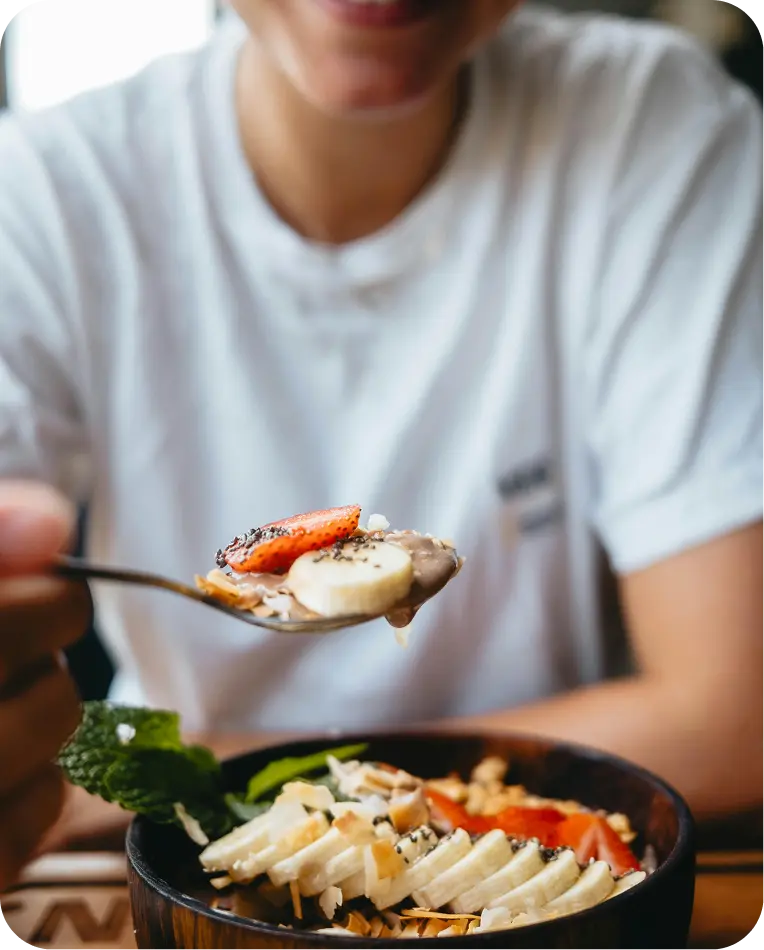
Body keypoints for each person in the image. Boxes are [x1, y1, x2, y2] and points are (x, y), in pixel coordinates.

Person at [1, 0, 763, 890]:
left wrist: (210, 773)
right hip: (184, 883)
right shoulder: (50, 188)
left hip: (558, 886)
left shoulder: (652, 122)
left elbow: (734, 716)